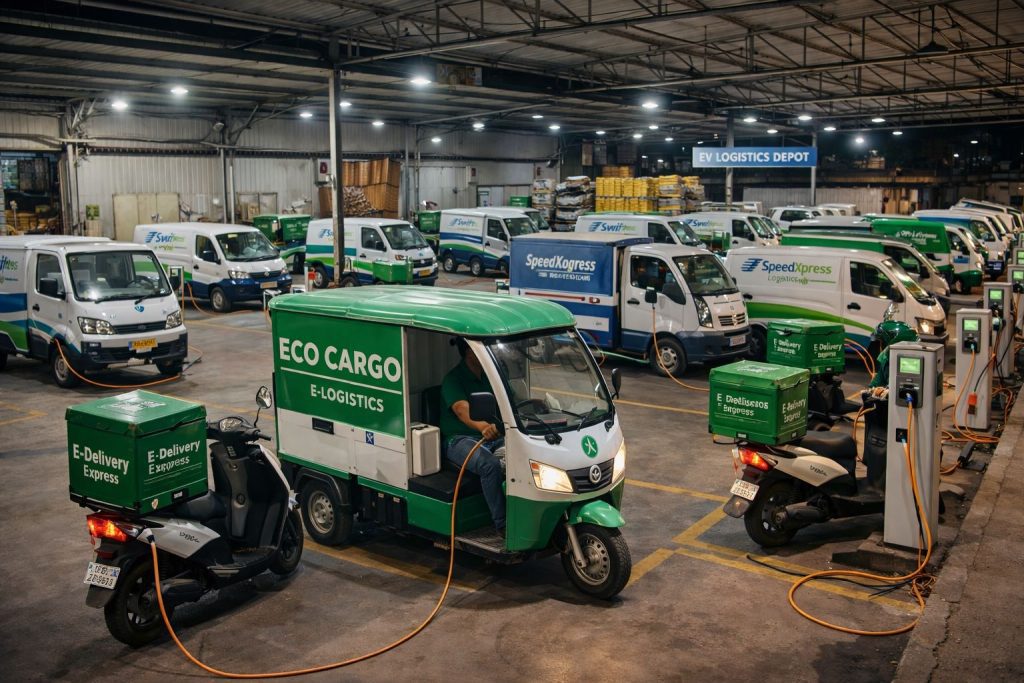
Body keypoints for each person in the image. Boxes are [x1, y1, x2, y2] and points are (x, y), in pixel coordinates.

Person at [440, 338, 505, 534]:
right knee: (489, 465)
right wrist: (482, 426)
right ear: (470, 352)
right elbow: (461, 409)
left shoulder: (489, 375)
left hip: (493, 436)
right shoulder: (453, 379)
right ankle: (503, 524)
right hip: (460, 439)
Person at [868, 320, 919, 388]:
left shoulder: (914, 365)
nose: (881, 347)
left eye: (882, 342)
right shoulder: (886, 361)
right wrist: (870, 389)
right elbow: (877, 381)